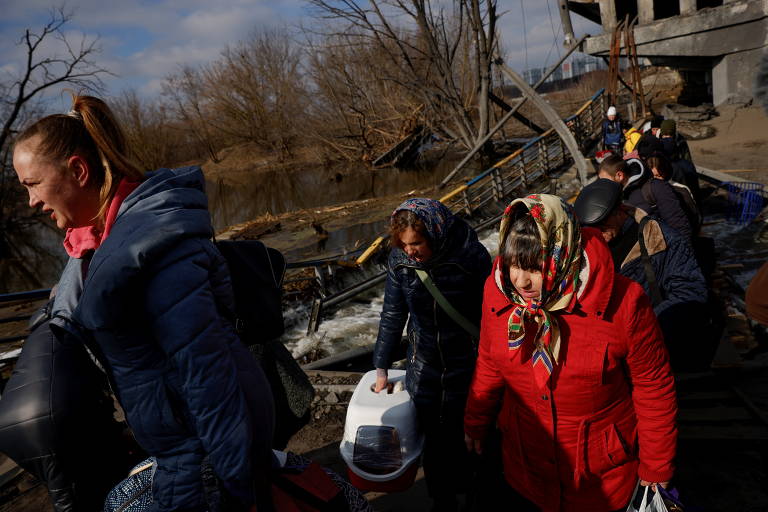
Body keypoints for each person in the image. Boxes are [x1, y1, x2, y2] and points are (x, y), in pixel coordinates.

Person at [8, 96, 275, 511]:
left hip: (207, 451)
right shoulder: (103, 243)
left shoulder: (155, 252)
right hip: (182, 443)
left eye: (32, 184)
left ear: (78, 171)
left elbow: (209, 381)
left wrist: (237, 489)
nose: (31, 202)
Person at [464, 194, 677, 512]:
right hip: (526, 464)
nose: (521, 281)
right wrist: (475, 421)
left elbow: (654, 388)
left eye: (535, 268)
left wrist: (657, 468)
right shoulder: (497, 295)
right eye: (514, 265)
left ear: (562, 253)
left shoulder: (625, 303)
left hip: (601, 477)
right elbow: (489, 361)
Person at [373, 198, 491, 512]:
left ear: (435, 234)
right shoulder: (399, 260)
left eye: (417, 243)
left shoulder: (470, 255)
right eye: (404, 244)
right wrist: (381, 367)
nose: (410, 251)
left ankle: (473, 494)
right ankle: (442, 501)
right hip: (423, 365)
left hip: (468, 363)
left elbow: (492, 311)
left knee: (469, 436)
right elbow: (392, 314)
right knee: (434, 441)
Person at [574, 179, 715, 371]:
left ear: (619, 211)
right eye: (591, 228)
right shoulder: (586, 244)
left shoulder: (660, 240)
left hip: (652, 346)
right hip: (604, 353)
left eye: (602, 226)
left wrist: (640, 328)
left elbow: (690, 293)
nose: (597, 234)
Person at [598, 154, 694, 240]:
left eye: (605, 181)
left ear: (619, 175)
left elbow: (681, 228)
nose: (604, 187)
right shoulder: (618, 198)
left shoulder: (656, 187)